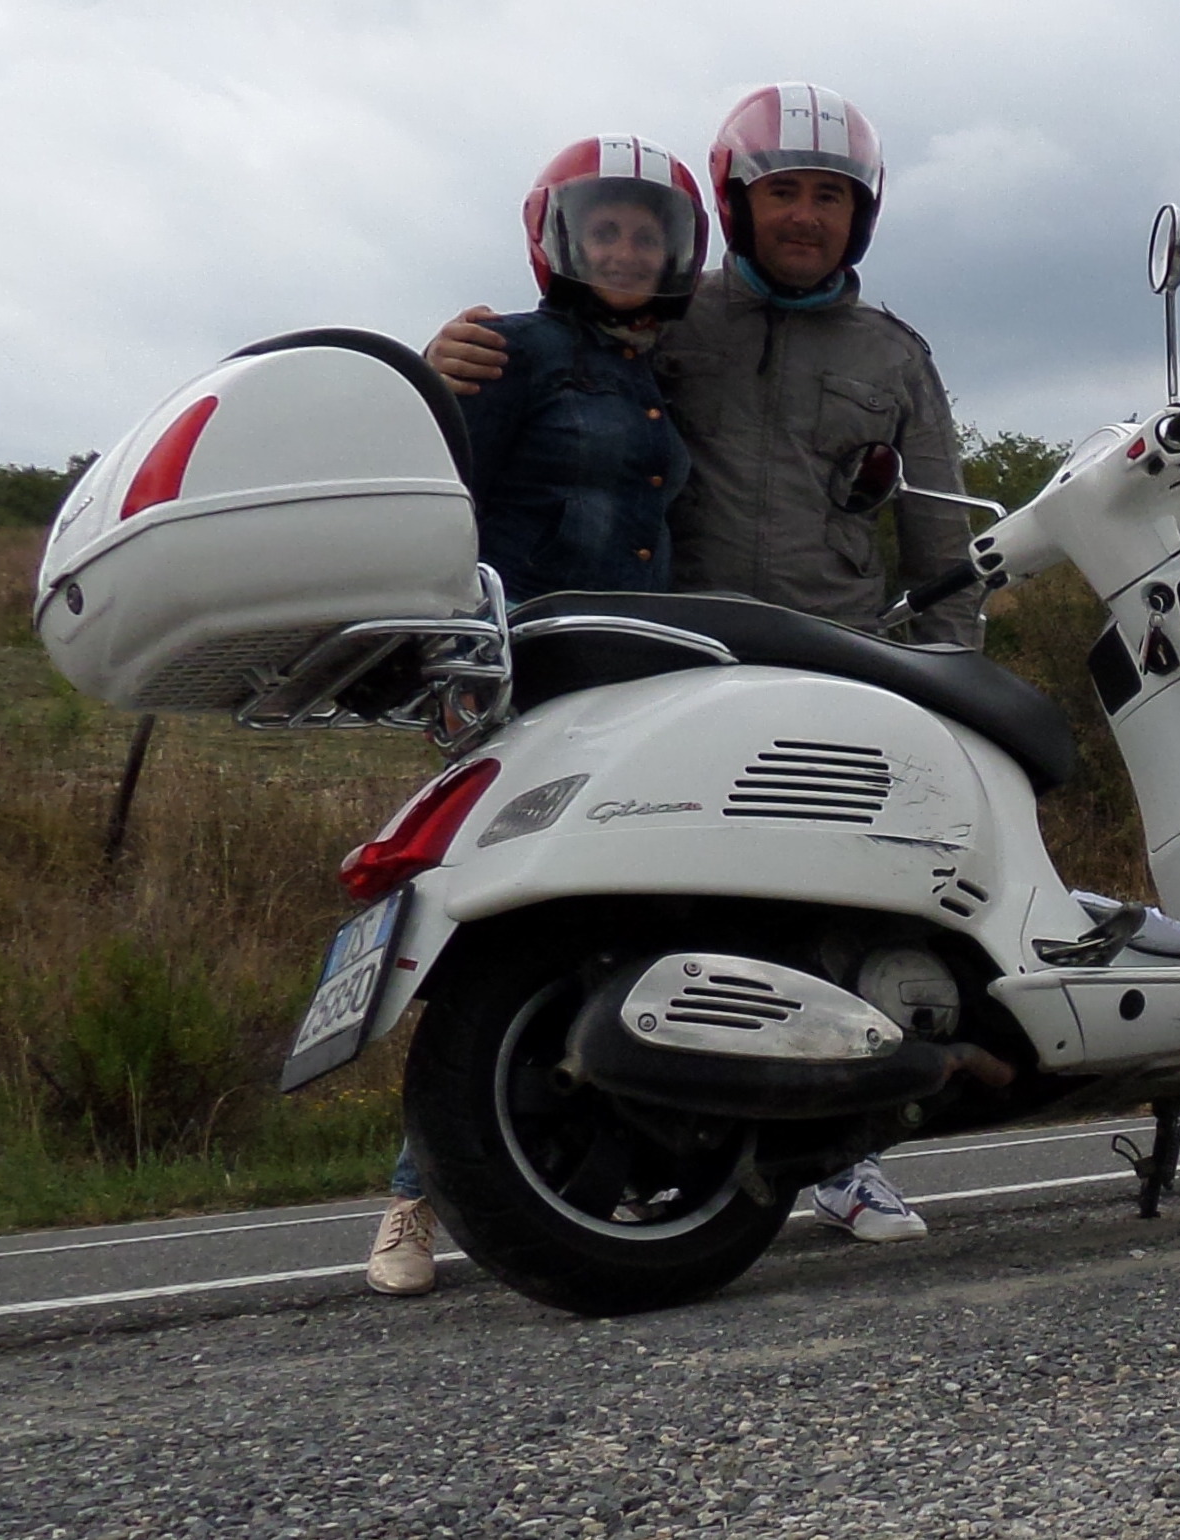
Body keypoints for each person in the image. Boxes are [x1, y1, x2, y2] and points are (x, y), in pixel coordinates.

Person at [423, 83, 960, 1249]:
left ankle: (843, 1156)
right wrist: (442, 362)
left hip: (838, 659)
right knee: (643, 909)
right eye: (782, 193)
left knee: (835, 911)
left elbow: (940, 548)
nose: (805, 216)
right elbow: (545, 368)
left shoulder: (897, 357)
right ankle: (529, 1155)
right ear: (735, 204)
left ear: (858, 216)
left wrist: (949, 682)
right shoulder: (669, 310)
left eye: (829, 196)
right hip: (678, 655)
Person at [367, 133, 707, 1298]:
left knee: (619, 926)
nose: (623, 246)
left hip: (633, 679)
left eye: (646, 231)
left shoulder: (663, 378)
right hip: (518, 671)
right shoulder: (504, 351)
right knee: (490, 927)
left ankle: (588, 1171)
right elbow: (432, 483)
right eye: (603, 227)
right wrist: (426, 371)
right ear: (558, 237)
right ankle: (419, 1194)